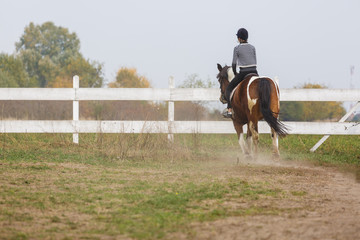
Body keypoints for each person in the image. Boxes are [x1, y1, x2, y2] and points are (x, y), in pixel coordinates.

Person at [222, 28, 258, 118]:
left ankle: (229, 110)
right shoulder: (253, 47)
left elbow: (234, 64)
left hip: (244, 72)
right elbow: (254, 61)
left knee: (229, 89)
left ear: (239, 38)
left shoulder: (237, 48)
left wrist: (235, 73)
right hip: (255, 72)